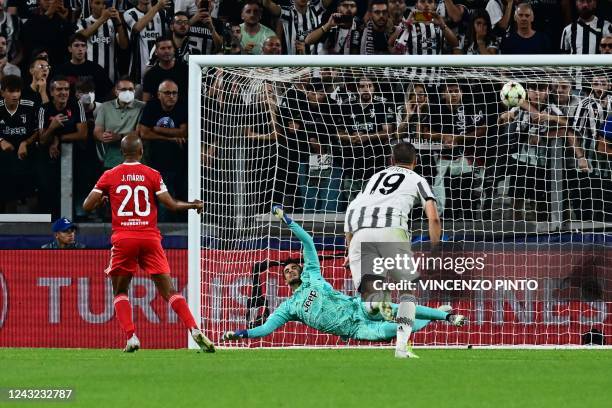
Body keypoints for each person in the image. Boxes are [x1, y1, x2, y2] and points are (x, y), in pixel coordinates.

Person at [222, 206, 464, 356]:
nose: (291, 271)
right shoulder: (288, 308)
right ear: (284, 280)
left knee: (390, 308)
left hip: (356, 308)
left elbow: (307, 241)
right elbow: (265, 329)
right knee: (396, 329)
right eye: (287, 271)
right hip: (354, 328)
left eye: (294, 267)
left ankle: (446, 316)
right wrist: (240, 334)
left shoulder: (312, 275)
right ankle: (432, 316)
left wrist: (287, 219)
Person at [82, 134, 215, 353]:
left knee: (120, 291)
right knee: (169, 290)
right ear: (142, 151)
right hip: (150, 238)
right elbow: (170, 204)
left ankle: (131, 336)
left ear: (122, 152)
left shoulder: (110, 175)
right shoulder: (152, 174)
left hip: (124, 238)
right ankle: (193, 328)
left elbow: (87, 205)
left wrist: (104, 198)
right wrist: (192, 205)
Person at [344, 142, 442, 358]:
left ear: (391, 160)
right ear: (415, 162)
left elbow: (352, 209)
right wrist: (436, 249)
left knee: (370, 298)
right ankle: (400, 346)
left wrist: (349, 247)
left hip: (360, 234)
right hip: (392, 231)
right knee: (408, 292)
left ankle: (376, 302)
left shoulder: (373, 179)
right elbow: (433, 217)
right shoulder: (418, 179)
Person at [138, 79, 187, 221]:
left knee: (177, 194)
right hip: (155, 161)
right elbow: (144, 133)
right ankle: (163, 231)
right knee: (162, 197)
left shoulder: (182, 106)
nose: (171, 96)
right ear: (159, 95)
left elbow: (184, 132)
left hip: (180, 161)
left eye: (174, 93)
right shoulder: (151, 106)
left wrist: (158, 129)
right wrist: (171, 137)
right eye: (167, 93)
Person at [0, 75, 39, 213]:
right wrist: (1, 141)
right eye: (11, 91)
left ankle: (35, 226)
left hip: (27, 154)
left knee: (31, 191)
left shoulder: (29, 106)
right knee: (7, 192)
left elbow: (38, 131)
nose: (15, 95)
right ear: (2, 92)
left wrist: (25, 142)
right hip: (4, 157)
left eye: (17, 91)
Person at [95, 76, 144, 170]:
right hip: (111, 157)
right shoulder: (105, 107)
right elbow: (97, 131)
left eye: (131, 89)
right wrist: (103, 136)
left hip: (135, 157)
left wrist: (120, 136)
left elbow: (140, 132)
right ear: (116, 91)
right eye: (124, 89)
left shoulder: (142, 107)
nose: (128, 92)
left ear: (134, 91)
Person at [76, 0, 129, 83]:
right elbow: (81, 37)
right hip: (88, 75)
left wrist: (119, 22)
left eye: (104, 4)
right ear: (91, 4)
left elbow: (124, 46)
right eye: (97, 3)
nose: (101, 6)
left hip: (111, 75)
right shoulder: (82, 22)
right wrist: (103, 18)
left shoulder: (113, 23)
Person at [53, 33, 114, 101]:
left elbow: (109, 91)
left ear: (86, 48)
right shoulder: (61, 70)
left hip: (93, 108)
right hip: (69, 109)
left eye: (83, 45)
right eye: (76, 45)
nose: (80, 49)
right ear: (70, 49)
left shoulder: (96, 69)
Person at [123, 0, 169, 83]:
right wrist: (157, 7)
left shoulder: (163, 13)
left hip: (161, 68)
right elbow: (137, 28)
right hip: (137, 70)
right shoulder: (129, 13)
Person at [262, 0, 327, 55]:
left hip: (315, 63)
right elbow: (266, 3)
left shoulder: (316, 9)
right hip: (293, 65)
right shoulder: (287, 12)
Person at [141, 36, 188, 103]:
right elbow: (145, 102)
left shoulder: (185, 70)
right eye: (163, 48)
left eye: (169, 48)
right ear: (156, 51)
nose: (166, 51)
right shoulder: (150, 75)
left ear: (174, 50)